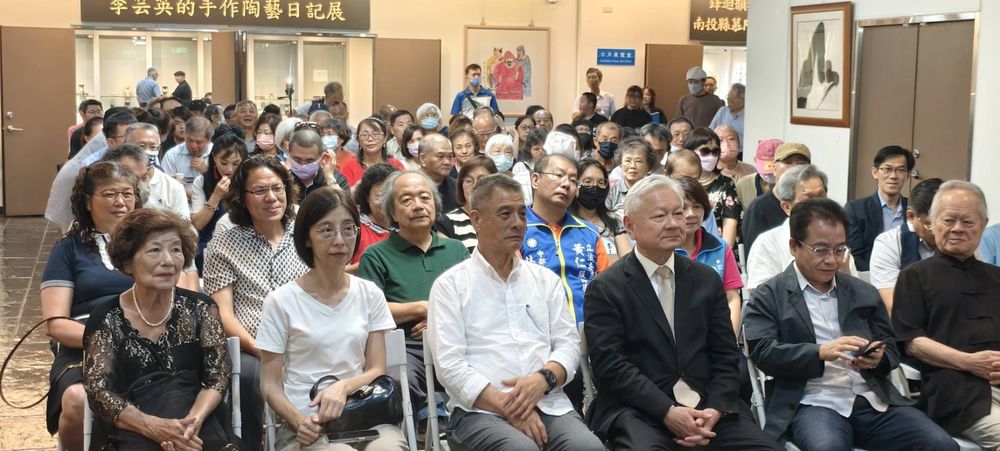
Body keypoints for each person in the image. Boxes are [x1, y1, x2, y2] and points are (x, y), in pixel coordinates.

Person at [584, 175, 782, 450]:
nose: (674, 223)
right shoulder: (607, 287)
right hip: (641, 409)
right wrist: (667, 411)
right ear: (630, 225)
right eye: (660, 216)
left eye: (678, 214)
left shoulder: (706, 279)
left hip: (708, 406)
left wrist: (715, 410)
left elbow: (725, 354)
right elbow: (611, 366)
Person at [743, 198, 958, 451]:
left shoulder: (862, 292)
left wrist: (877, 358)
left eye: (839, 250)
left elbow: (891, 347)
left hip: (871, 399)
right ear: (794, 246)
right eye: (820, 250)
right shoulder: (770, 294)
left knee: (941, 444)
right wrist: (820, 352)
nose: (832, 260)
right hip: (812, 403)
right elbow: (763, 351)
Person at [427, 174, 606, 451]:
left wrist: (544, 378)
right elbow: (450, 367)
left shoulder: (545, 280)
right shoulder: (451, 285)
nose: (518, 223)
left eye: (522, 214)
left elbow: (568, 344)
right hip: (479, 411)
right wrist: (511, 407)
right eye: (505, 214)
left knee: (589, 448)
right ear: (476, 219)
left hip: (548, 403)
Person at [257, 187, 408, 451]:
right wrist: (298, 421)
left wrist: (342, 388)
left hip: (364, 414)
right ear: (306, 238)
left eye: (348, 229)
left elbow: (376, 369)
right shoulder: (281, 301)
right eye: (326, 230)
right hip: (308, 422)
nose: (339, 240)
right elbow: (269, 385)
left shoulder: (369, 293)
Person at [82, 209, 241, 450]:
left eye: (175, 250)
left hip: (197, 425)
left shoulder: (201, 308)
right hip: (131, 428)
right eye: (154, 250)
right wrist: (153, 427)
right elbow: (98, 391)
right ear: (127, 262)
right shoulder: (106, 317)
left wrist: (188, 427)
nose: (168, 261)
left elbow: (217, 377)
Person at [204, 156, 310, 450]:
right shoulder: (224, 244)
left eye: (277, 188)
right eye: (260, 191)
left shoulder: (306, 234)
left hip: (307, 337)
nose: (272, 198)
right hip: (251, 345)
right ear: (242, 197)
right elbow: (223, 314)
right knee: (251, 377)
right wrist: (259, 349)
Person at [40, 162, 141, 451]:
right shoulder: (68, 248)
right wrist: (111, 339)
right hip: (85, 346)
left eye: (127, 193)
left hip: (150, 339)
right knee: (77, 399)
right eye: (109, 194)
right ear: (87, 201)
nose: (120, 202)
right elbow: (56, 324)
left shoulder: (153, 242)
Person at [357, 170, 470, 428]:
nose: (418, 205)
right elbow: (369, 311)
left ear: (435, 205)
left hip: (457, 340)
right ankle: (429, 421)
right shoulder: (376, 255)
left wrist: (437, 318)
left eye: (424, 198)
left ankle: (453, 421)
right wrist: (422, 307)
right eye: (406, 200)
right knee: (399, 378)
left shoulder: (456, 249)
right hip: (407, 346)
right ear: (392, 212)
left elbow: (474, 302)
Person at [891, 181, 1000, 448]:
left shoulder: (996, 277)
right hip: (956, 392)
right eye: (949, 220)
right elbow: (912, 343)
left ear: (983, 225)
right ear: (933, 222)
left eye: (968, 221)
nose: (957, 228)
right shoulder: (914, 276)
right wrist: (969, 362)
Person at [523, 153, 609, 325]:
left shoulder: (590, 233)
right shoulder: (516, 229)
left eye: (573, 180)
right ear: (535, 180)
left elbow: (607, 287)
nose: (566, 184)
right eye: (558, 175)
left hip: (587, 331)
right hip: (534, 332)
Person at [747, 164, 859, 290]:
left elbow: (858, 293)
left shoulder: (838, 243)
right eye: (808, 200)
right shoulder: (767, 243)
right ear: (787, 207)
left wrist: (844, 277)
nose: (818, 206)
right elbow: (761, 294)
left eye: (821, 197)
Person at [46, 109, 137, 231]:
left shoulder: (143, 155)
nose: (134, 142)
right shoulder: (92, 167)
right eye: (126, 137)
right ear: (110, 142)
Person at [675, 177, 744, 334]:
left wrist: (729, 339)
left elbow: (732, 298)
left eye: (697, 207)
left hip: (715, 334)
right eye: (683, 208)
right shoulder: (661, 249)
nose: (691, 214)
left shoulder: (720, 247)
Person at [869, 178, 942, 311]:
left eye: (946, 222)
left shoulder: (960, 241)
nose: (938, 232)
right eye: (929, 225)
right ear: (911, 216)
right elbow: (893, 306)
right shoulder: (888, 243)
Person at [845, 145, 915, 271]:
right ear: (875, 173)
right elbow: (855, 255)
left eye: (900, 170)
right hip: (870, 277)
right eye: (887, 169)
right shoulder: (855, 210)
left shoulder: (914, 210)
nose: (893, 176)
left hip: (908, 277)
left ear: (908, 175)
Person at [192, 128, 247, 273]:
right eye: (224, 163)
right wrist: (216, 196)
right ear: (214, 159)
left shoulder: (250, 181)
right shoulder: (202, 181)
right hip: (210, 244)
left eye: (236, 163)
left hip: (245, 244)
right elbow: (198, 224)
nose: (230, 169)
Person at [742, 142, 811, 255]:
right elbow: (755, 256)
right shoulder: (758, 209)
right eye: (788, 163)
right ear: (774, 169)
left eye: (801, 164)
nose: (794, 169)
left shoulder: (814, 206)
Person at [101, 143, 189, 222]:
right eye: (134, 180)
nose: (141, 185)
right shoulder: (103, 216)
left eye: (144, 177)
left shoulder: (154, 215)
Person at [685, 128, 741, 248]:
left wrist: (722, 253)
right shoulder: (681, 183)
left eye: (715, 151)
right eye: (705, 151)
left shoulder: (727, 184)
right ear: (690, 152)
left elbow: (730, 223)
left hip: (718, 248)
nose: (711, 156)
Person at [571, 158, 631, 261]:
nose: (595, 187)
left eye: (601, 182)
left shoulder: (614, 220)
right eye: (588, 182)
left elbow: (627, 258)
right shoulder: (565, 220)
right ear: (576, 185)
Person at [435, 155, 497, 253]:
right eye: (468, 181)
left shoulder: (504, 217)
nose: (475, 186)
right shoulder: (447, 223)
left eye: (482, 180)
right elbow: (445, 259)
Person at [351, 164, 399, 269]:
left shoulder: (406, 226)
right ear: (367, 197)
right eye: (379, 196)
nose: (384, 202)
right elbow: (338, 273)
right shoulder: (354, 229)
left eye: (390, 196)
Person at [339, 117, 405, 188]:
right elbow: (346, 194)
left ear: (385, 138)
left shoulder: (395, 164)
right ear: (358, 140)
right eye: (364, 135)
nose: (370, 139)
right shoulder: (350, 166)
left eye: (375, 134)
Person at [161, 116, 215, 195]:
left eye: (199, 142)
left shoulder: (216, 154)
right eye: (190, 140)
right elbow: (163, 185)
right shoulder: (172, 154)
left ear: (209, 140)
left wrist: (206, 172)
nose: (193, 146)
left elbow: (223, 187)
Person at [606, 136, 655, 218]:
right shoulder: (610, 189)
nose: (632, 166)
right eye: (627, 161)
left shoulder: (654, 190)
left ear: (648, 166)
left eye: (638, 161)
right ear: (620, 164)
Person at [286, 128, 337, 204]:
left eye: (309, 161)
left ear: (321, 157)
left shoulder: (336, 179)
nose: (303, 165)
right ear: (289, 155)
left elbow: (345, 208)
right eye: (297, 160)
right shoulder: (283, 180)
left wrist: (329, 178)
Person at [417, 133, 459, 212]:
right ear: (423, 159)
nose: (447, 162)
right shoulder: (408, 186)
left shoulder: (457, 188)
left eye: (450, 156)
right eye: (440, 156)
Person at [735, 138, 781, 211]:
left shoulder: (793, 185)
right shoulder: (744, 185)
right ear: (755, 161)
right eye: (765, 171)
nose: (770, 175)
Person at [512, 127, 547, 203]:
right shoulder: (520, 167)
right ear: (529, 149)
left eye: (544, 149)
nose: (541, 151)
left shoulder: (551, 167)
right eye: (536, 149)